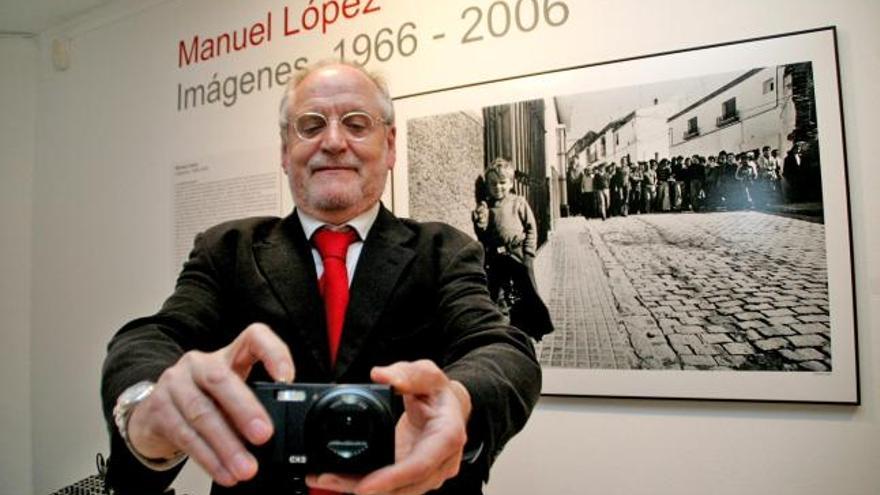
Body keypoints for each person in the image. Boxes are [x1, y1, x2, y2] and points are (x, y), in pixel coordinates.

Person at [101, 61, 541, 495]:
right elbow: (154, 336)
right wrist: (145, 406)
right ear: (283, 150)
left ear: (389, 146)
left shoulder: (445, 250)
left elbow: (500, 348)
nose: (332, 141)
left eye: (356, 123)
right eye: (310, 125)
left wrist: (461, 400)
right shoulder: (227, 249)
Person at [471, 159, 553, 341]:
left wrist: (529, 253)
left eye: (502, 183)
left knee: (526, 290)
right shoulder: (487, 206)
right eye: (493, 184)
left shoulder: (518, 202)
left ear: (511, 183)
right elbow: (482, 233)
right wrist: (480, 220)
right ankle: (503, 327)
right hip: (497, 257)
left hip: (518, 254)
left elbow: (531, 228)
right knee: (498, 292)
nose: (498, 187)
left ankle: (534, 328)